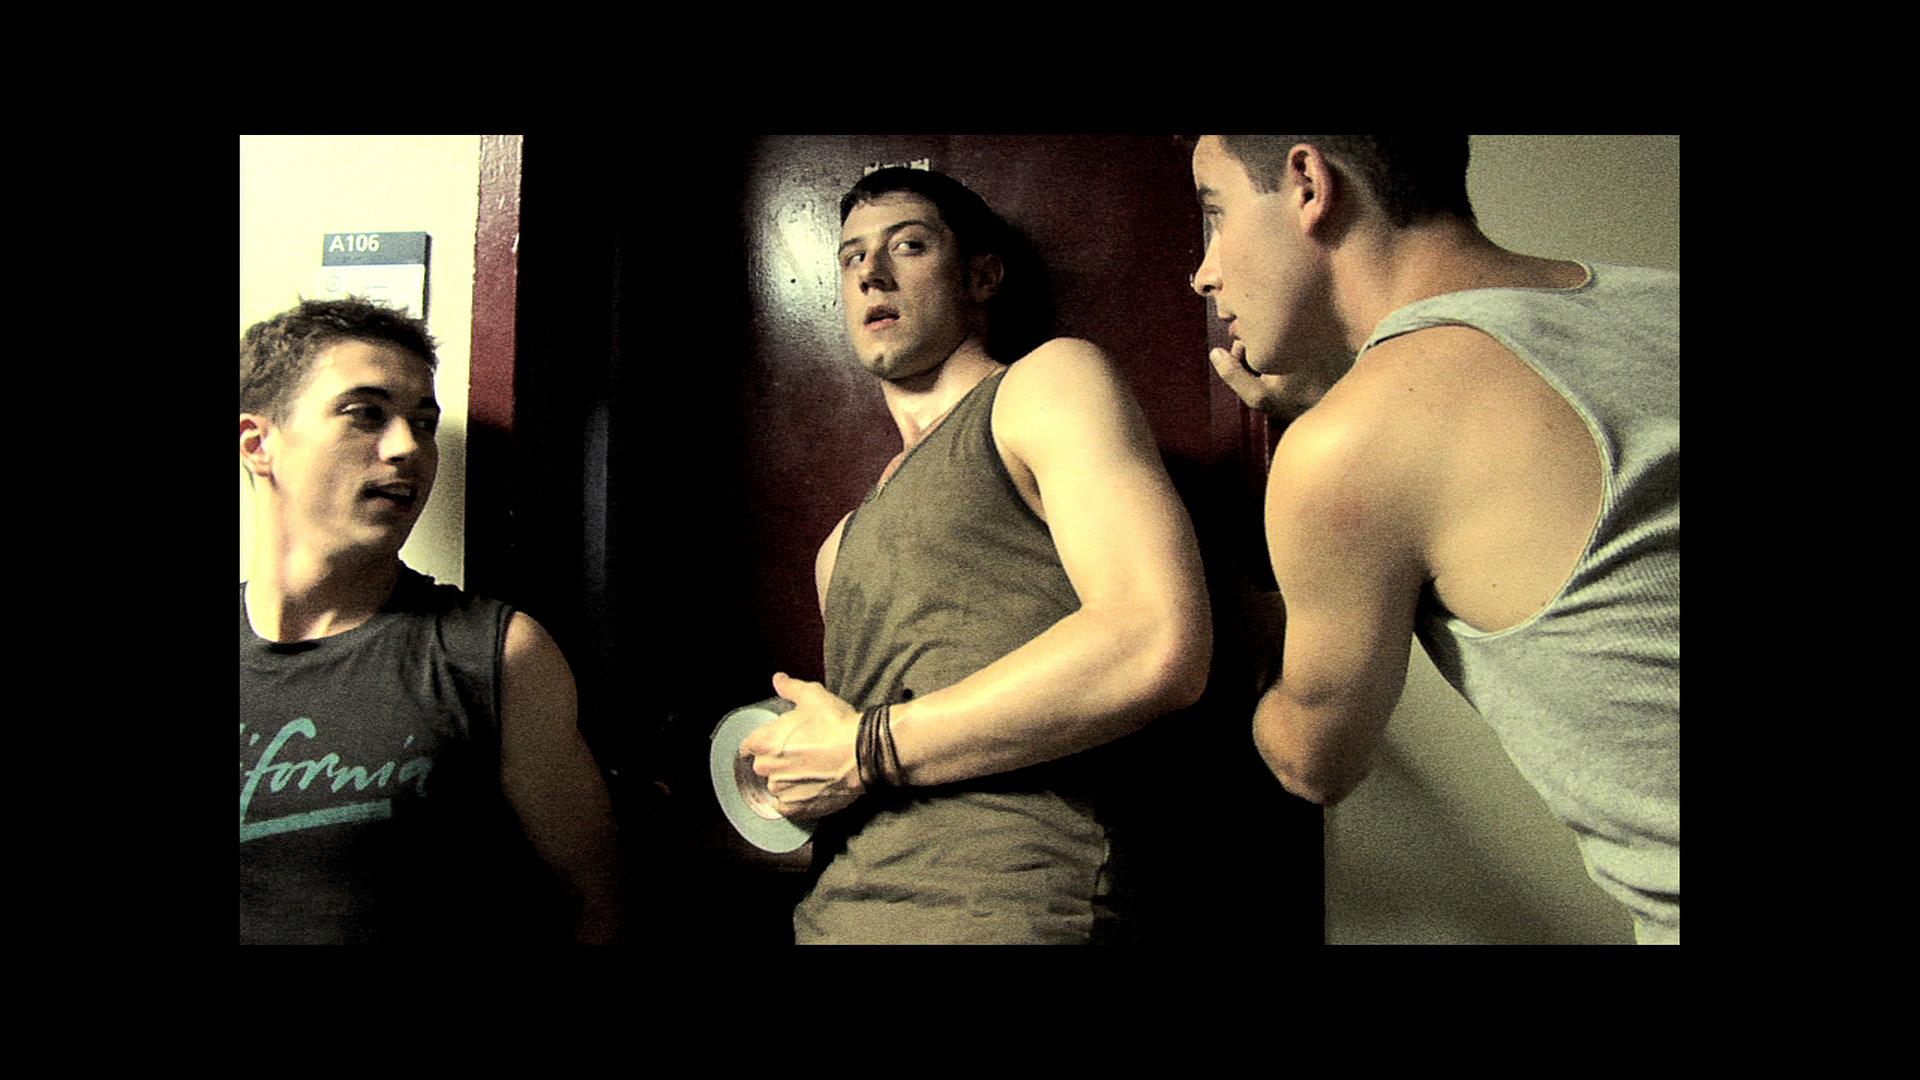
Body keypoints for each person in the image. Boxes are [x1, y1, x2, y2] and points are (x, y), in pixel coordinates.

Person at [1188, 135, 1679, 943]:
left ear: (1308, 183)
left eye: (1216, 213)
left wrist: (1225, 617)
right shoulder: (1661, 299)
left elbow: (1313, 764)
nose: (1203, 273)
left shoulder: (1355, 443)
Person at [739, 167, 1212, 944]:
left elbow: (1154, 642)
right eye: (852, 258)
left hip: (1005, 908)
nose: (871, 273)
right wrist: (802, 772)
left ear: (982, 277)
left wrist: (866, 747)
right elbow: (864, 759)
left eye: (909, 246)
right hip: (830, 915)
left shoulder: (1044, 385)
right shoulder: (839, 549)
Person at [239, 297, 624, 943]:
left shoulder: (490, 655)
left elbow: (593, 898)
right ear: (259, 444)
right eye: (366, 414)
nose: (407, 448)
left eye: (423, 422)